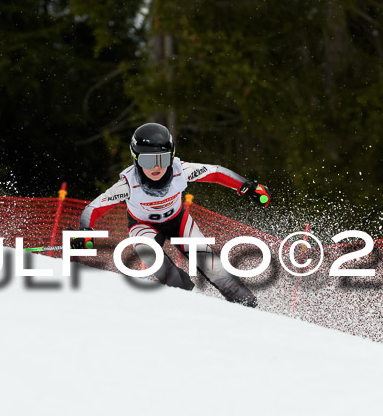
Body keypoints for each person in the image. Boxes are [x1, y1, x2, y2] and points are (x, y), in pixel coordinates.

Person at [74, 123, 270, 307]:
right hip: (143, 226)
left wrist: (246, 186)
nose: (156, 167)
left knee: (210, 264)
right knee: (154, 260)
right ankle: (185, 298)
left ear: (172, 156)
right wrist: (85, 230)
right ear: (135, 159)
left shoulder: (180, 170)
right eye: (148, 160)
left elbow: (216, 173)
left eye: (163, 158)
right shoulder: (128, 183)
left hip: (178, 221)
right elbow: (95, 208)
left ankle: (246, 303)